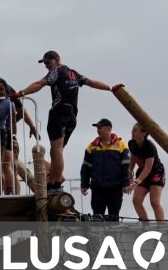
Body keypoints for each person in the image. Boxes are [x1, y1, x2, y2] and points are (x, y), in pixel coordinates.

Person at [12, 51, 120, 192]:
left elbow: (40, 83)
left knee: (56, 150)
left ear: (57, 60)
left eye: (48, 62)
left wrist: (21, 93)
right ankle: (55, 179)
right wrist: (110, 88)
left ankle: (56, 183)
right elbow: (90, 82)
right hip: (72, 115)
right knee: (57, 151)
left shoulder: (56, 71)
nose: (46, 66)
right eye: (44, 63)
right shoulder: (73, 73)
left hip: (59, 112)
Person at [80, 118, 130, 220]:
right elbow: (86, 167)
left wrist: (126, 184)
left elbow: (125, 167)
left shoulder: (121, 145)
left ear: (108, 129)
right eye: (97, 128)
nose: (98, 130)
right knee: (97, 218)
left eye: (100, 127)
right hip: (97, 188)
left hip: (115, 188)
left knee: (114, 217)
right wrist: (84, 184)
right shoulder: (91, 146)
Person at [128, 123, 166, 221]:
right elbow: (133, 158)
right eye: (132, 130)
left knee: (155, 202)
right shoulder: (131, 143)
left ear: (144, 133)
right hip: (142, 171)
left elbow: (148, 169)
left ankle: (161, 226)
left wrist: (135, 183)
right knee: (136, 200)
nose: (132, 132)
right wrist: (130, 171)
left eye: (135, 130)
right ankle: (145, 224)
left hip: (155, 172)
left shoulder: (149, 146)